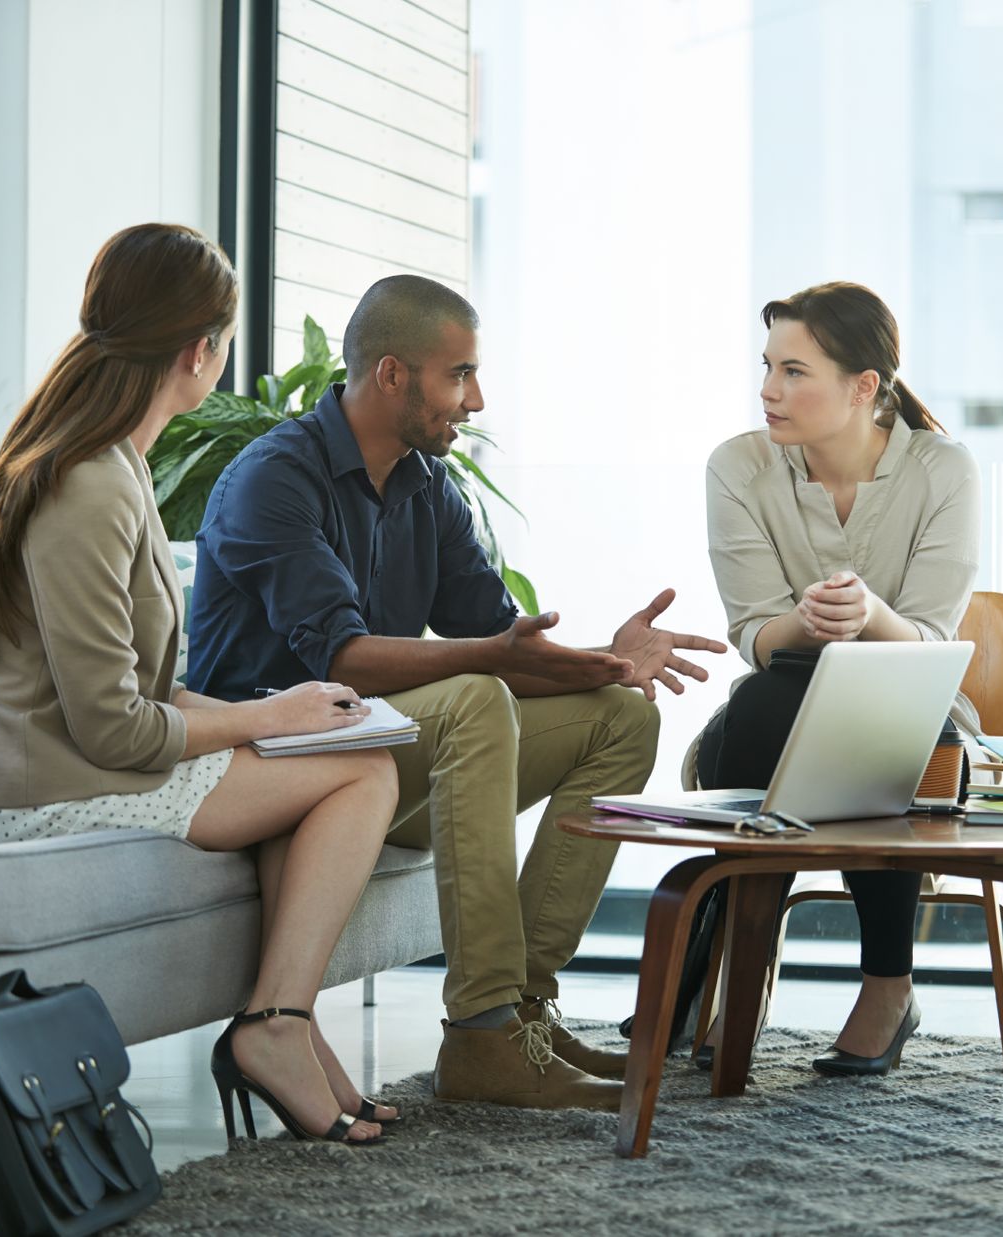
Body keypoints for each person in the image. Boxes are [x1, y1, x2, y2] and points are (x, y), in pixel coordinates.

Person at [187, 274, 728, 1110]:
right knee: (476, 699)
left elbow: (501, 640)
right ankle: (478, 1037)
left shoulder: (426, 486)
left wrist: (609, 661)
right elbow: (347, 661)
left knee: (620, 719)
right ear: (394, 374)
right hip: (273, 762)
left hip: (370, 761)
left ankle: (521, 1017)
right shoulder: (274, 478)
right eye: (460, 375)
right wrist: (497, 659)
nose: (475, 400)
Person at [0, 223, 400, 1145]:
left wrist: (279, 718)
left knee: (326, 756)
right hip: (44, 795)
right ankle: (274, 1031)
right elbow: (115, 727)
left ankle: (289, 1021)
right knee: (365, 772)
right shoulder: (90, 484)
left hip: (79, 763)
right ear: (201, 350)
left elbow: (146, 689)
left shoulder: (114, 466)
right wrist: (269, 715)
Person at [703, 280, 982, 1076]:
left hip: (916, 710)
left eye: (794, 372)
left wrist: (867, 617)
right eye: (767, 367)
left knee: (864, 718)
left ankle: (882, 987)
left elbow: (928, 641)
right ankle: (736, 970)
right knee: (770, 703)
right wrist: (808, 619)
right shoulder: (738, 467)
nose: (768, 390)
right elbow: (756, 633)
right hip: (778, 698)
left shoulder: (945, 471)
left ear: (864, 388)